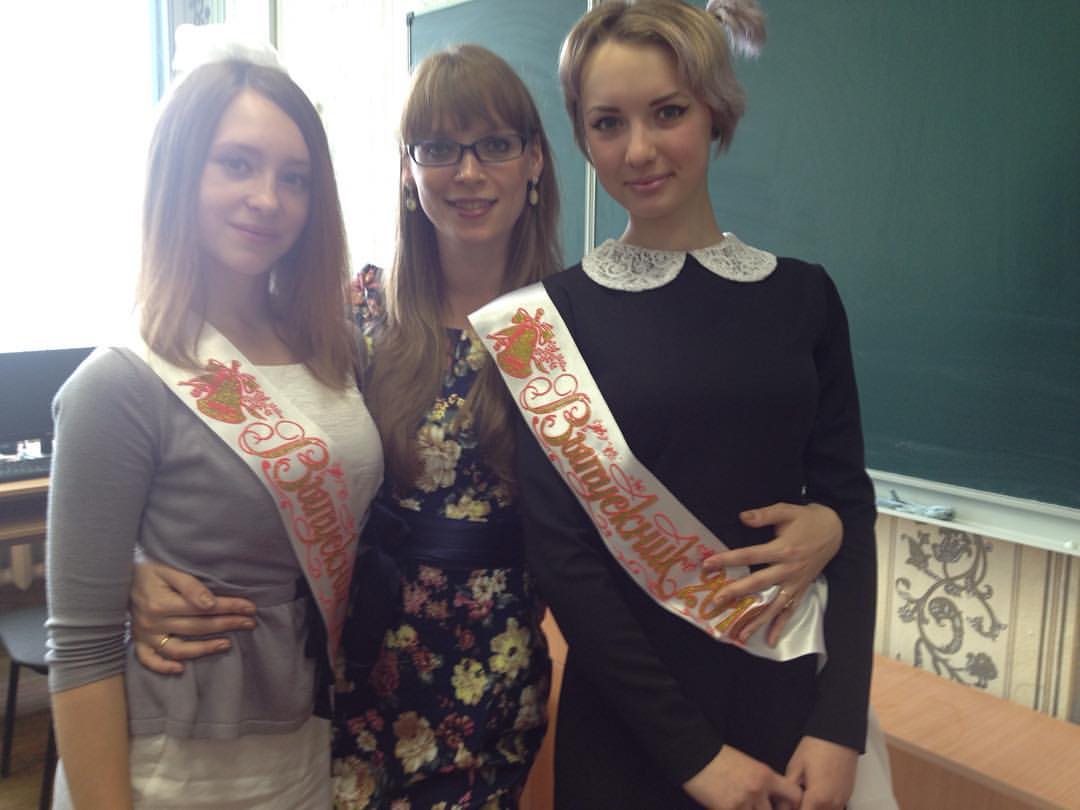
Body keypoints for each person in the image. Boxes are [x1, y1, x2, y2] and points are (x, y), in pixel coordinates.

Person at [126, 38, 849, 810]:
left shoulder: (575, 326)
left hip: (494, 678)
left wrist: (833, 520)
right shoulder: (348, 313)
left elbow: (678, 469)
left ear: (535, 161)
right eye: (439, 148)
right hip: (347, 668)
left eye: (495, 145)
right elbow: (224, 440)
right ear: (407, 170)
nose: (467, 173)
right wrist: (134, 567)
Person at [467, 1, 883, 808]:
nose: (640, 150)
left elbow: (848, 506)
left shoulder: (805, 297)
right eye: (608, 123)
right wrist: (697, 758)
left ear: (714, 111)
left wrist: (840, 726)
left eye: (668, 112)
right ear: (582, 137)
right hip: (630, 732)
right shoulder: (543, 325)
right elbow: (563, 558)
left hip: (788, 708)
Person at [44, 50, 383, 809]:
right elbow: (82, 649)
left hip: (306, 748)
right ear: (179, 172)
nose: (267, 199)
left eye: (295, 178)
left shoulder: (336, 354)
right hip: (176, 768)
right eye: (236, 164)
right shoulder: (119, 383)